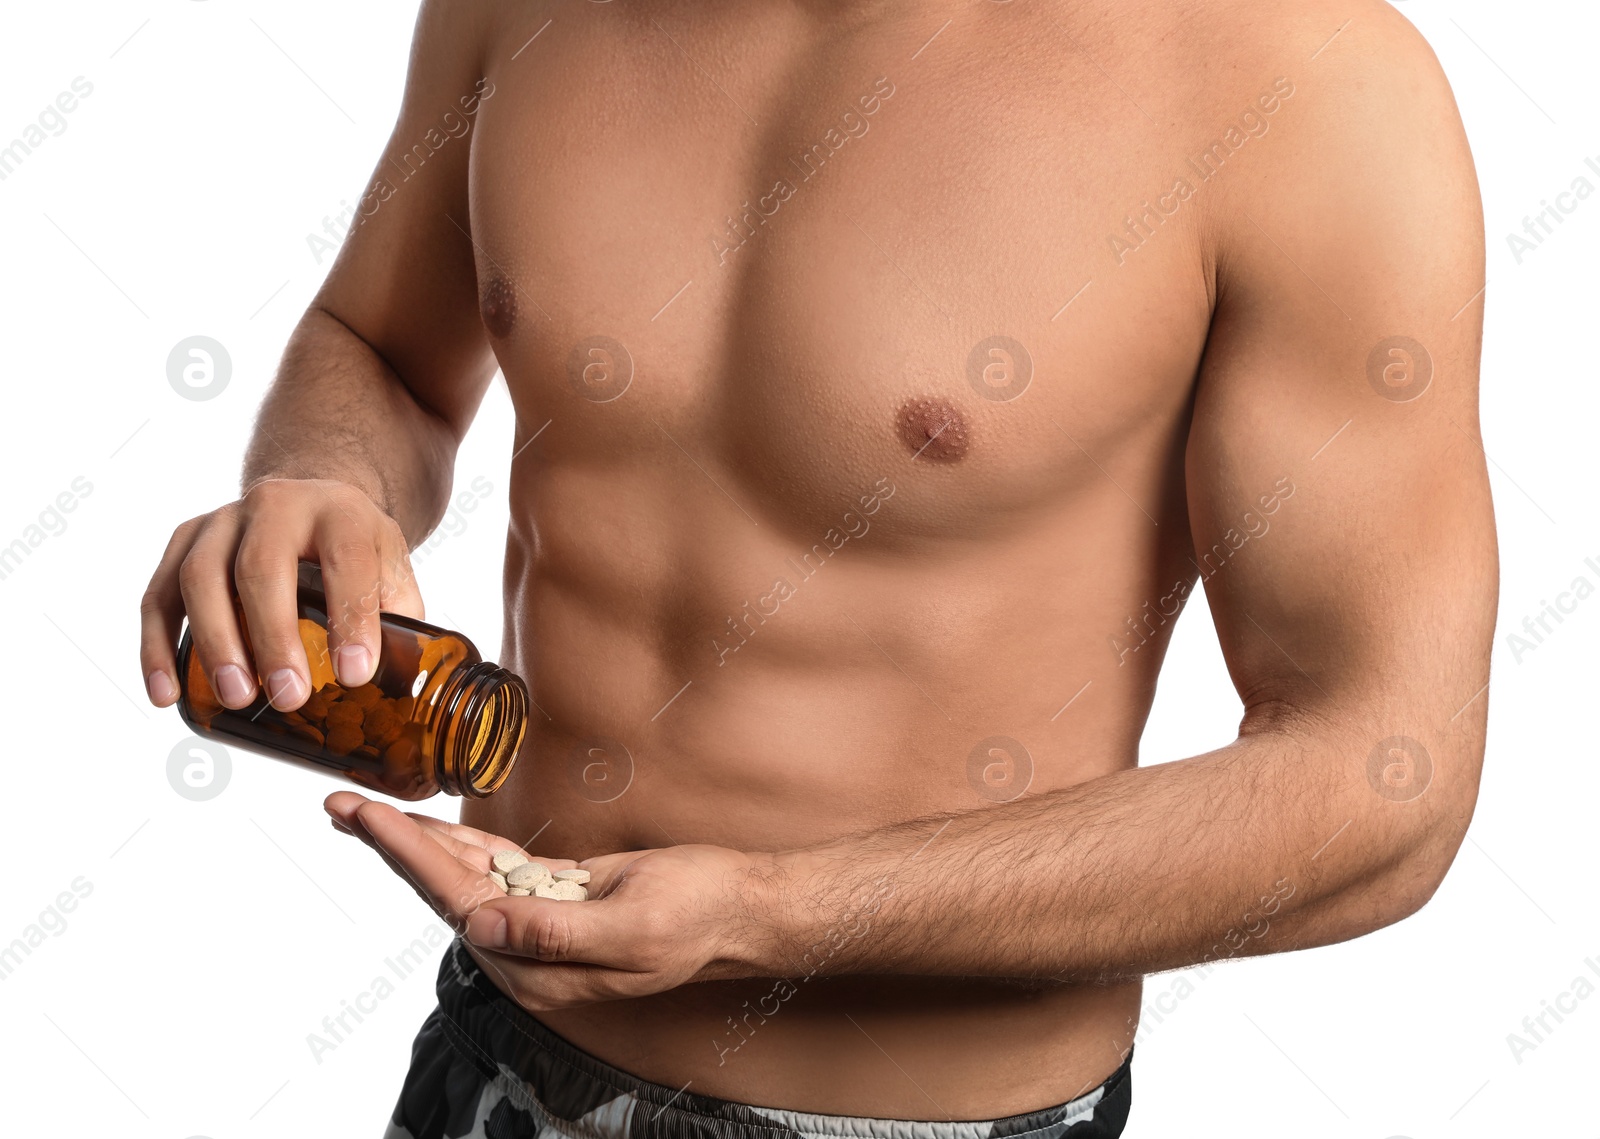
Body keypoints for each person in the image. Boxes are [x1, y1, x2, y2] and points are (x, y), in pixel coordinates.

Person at [138, 1, 1495, 1135]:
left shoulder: (1297, 83)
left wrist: (773, 914)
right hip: (495, 1063)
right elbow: (375, 345)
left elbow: (1386, 781)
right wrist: (325, 480)